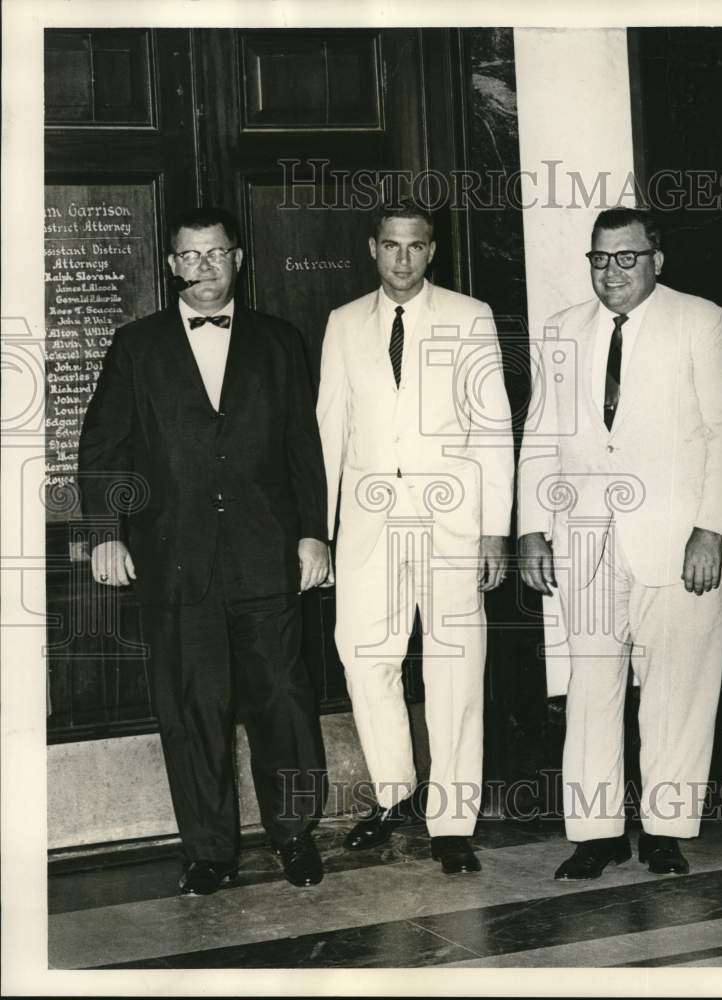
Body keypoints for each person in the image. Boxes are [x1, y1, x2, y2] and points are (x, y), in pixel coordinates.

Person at [78, 206, 330, 893]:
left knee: (283, 700)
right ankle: (209, 850)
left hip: (267, 555)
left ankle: (296, 836)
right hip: (176, 559)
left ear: (238, 259)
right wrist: (106, 533)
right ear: (171, 265)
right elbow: (104, 446)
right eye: (190, 257)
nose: (204, 268)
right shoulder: (137, 346)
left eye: (216, 254)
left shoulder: (280, 342)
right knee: (193, 707)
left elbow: (304, 448)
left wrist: (313, 532)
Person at [517, 207, 722, 879]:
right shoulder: (562, 329)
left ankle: (666, 830)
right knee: (590, 684)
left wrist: (712, 529)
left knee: (677, 685)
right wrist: (532, 526)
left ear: (657, 260)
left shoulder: (699, 320)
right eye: (600, 259)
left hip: (678, 542)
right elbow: (541, 438)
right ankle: (595, 833)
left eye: (626, 258)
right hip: (586, 539)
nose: (611, 272)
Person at [316, 201, 513, 875]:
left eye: (416, 246)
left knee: (454, 664)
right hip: (370, 523)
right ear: (373, 248)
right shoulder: (343, 324)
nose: (403, 259)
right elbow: (329, 431)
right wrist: (321, 529)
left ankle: (453, 821)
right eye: (391, 245)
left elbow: (494, 429)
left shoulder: (469, 317)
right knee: (365, 654)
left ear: (433, 252)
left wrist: (495, 530)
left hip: (452, 520)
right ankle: (397, 792)